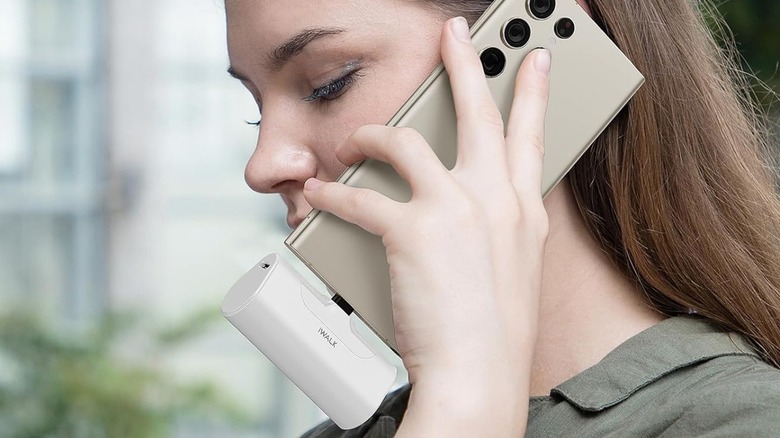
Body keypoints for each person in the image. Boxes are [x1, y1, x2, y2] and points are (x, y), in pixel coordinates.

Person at [224, 0, 780, 436]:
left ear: (538, 57)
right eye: (256, 110)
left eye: (330, 82)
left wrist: (466, 403)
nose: (263, 164)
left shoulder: (742, 422)